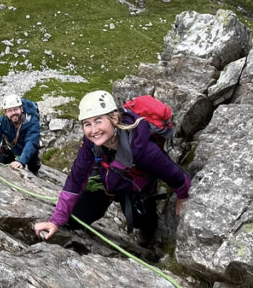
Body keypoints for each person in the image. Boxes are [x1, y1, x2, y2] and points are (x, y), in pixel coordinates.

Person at [33, 89, 190, 244]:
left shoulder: (142, 150)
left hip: (136, 187)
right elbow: (76, 177)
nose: (93, 130)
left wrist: (182, 196)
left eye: (98, 121)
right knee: (75, 218)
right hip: (107, 179)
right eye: (87, 124)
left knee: (141, 222)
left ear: (114, 118)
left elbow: (174, 174)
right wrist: (55, 221)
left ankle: (148, 237)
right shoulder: (91, 142)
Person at [0, 93, 41, 174]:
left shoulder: (32, 120)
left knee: (33, 168)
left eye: (15, 109)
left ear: (21, 109)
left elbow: (31, 142)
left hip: (28, 147)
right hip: (9, 148)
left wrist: (21, 161)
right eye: (10, 110)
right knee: (2, 166)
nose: (13, 113)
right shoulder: (1, 122)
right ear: (5, 112)